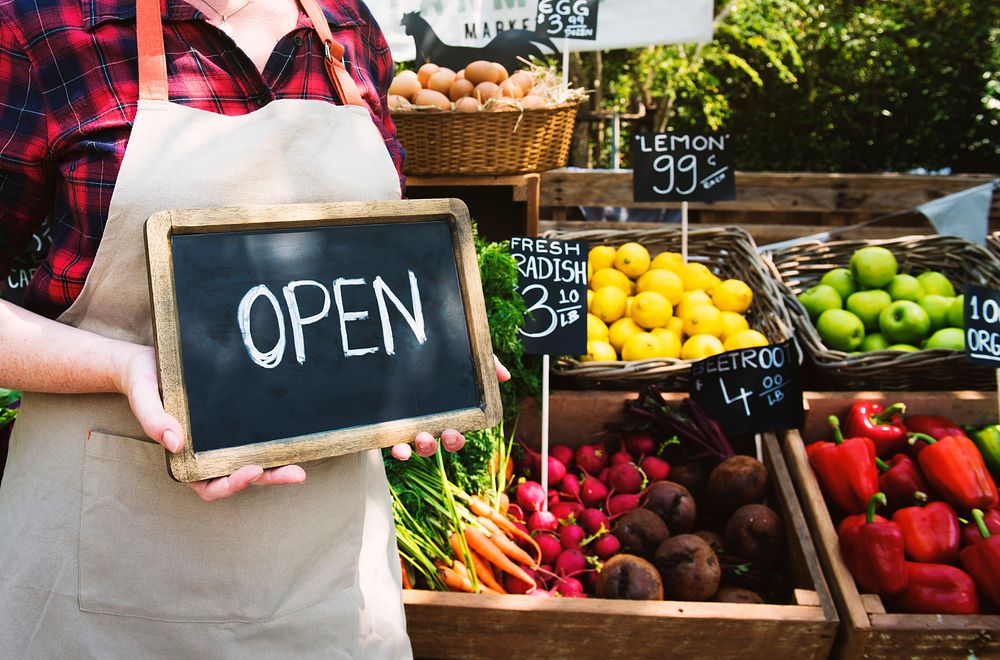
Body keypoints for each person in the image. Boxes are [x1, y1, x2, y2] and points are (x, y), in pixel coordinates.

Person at [0, 0, 508, 656]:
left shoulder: (348, 27)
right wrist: (124, 366)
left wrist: (429, 349)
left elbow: (365, 265)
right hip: (104, 571)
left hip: (334, 586)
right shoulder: (43, 28)